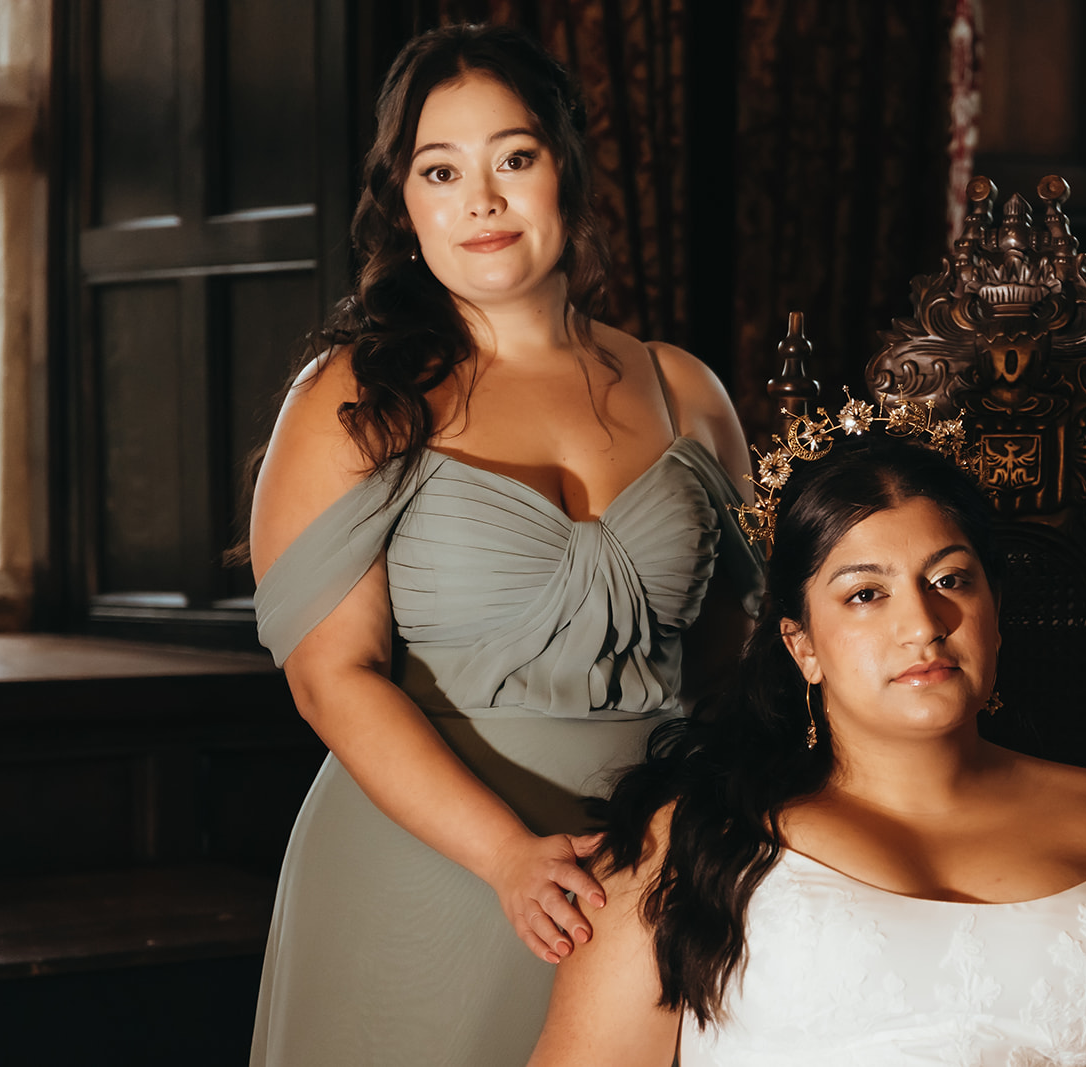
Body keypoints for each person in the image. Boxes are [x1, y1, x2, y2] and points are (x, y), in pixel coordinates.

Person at [246, 23, 759, 1066]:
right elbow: (328, 676)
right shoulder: (356, 395)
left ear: (564, 169)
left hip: (645, 876)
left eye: (512, 159)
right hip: (423, 867)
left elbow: (732, 650)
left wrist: (674, 828)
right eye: (442, 170)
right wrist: (506, 856)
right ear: (406, 201)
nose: (480, 200)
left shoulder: (687, 391)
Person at [529, 423, 1086, 1066]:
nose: (922, 622)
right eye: (865, 593)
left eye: (950, 578)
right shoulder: (692, 841)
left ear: (994, 611)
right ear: (802, 645)